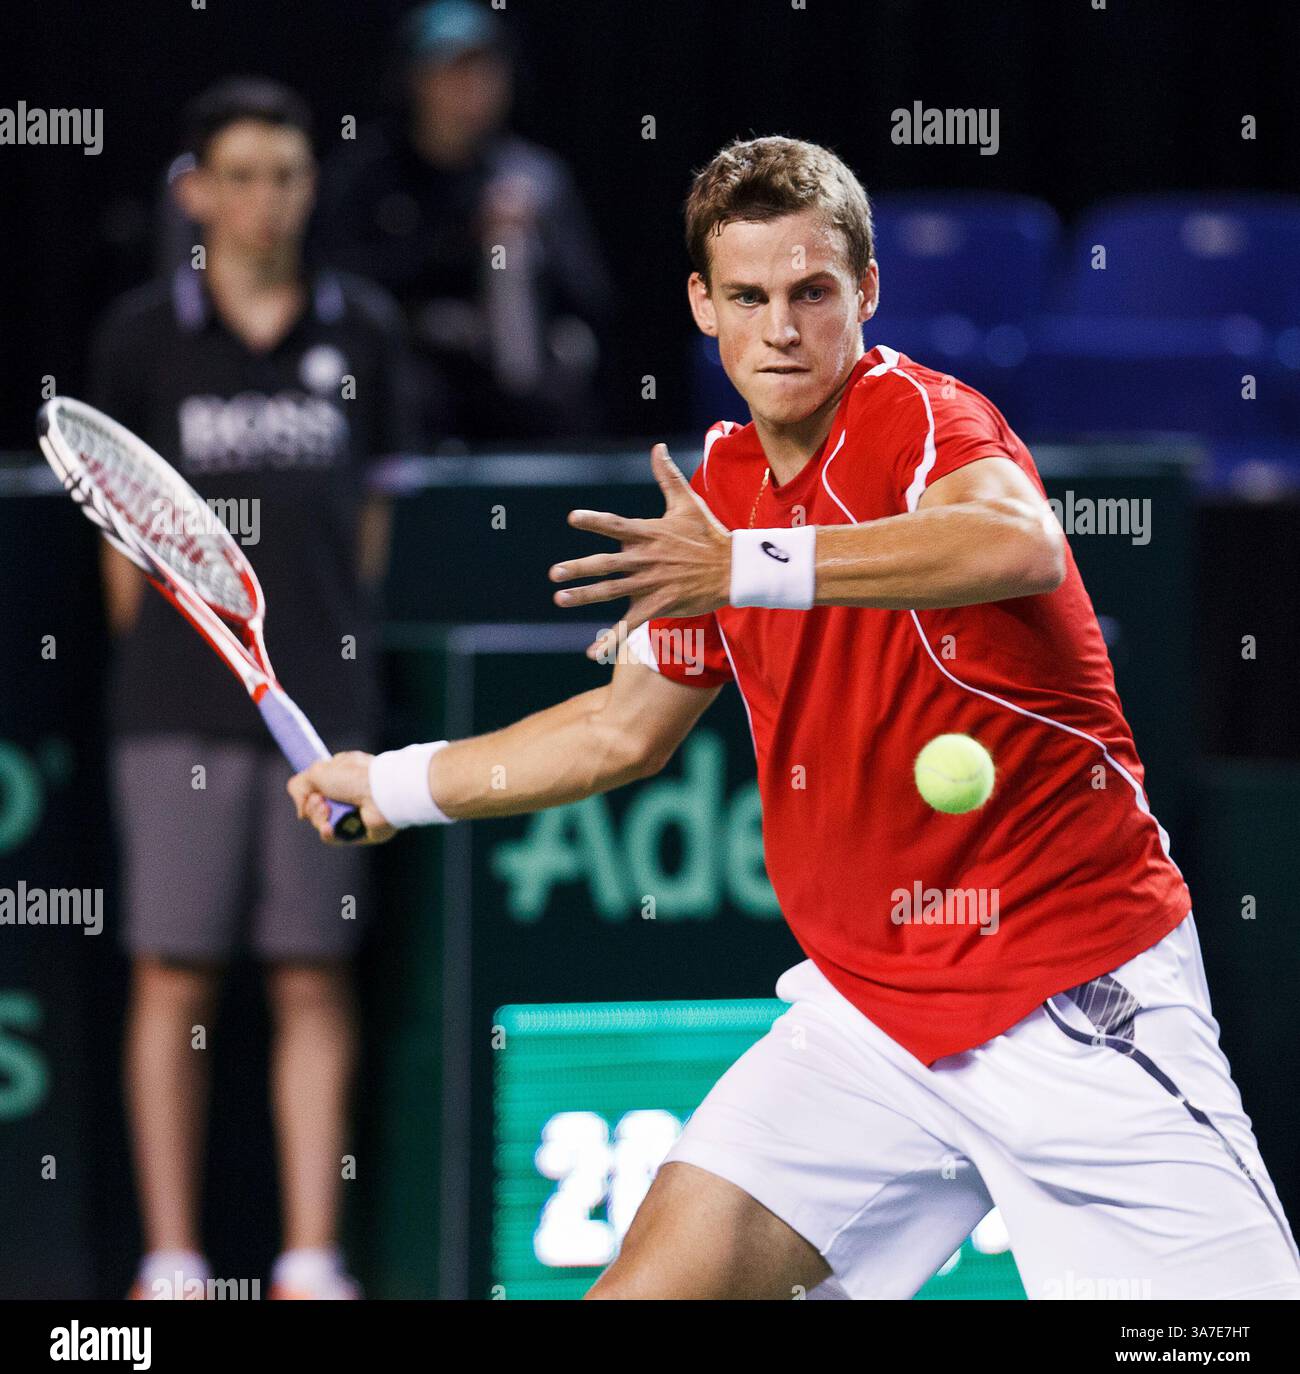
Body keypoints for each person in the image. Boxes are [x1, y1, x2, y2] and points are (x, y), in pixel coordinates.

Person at [288, 136, 1300, 1300]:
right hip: (868, 1021)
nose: (782, 329)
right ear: (701, 307)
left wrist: (751, 567)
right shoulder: (717, 490)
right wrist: (395, 784)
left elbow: (1013, 537)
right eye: (750, 297)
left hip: (1069, 999)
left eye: (813, 293)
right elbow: (621, 732)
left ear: (865, 292)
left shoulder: (921, 420)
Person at [92, 77, 413, 1301]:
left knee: (309, 975)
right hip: (169, 710)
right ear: (196, 191)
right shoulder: (139, 339)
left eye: (286, 173)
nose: (266, 199)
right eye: (241, 174)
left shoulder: (365, 332)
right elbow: (124, 547)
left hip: (324, 719)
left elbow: (370, 526)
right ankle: (172, 1261)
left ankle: (308, 1259)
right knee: (172, 973)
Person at [314, 0, 614, 445]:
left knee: (565, 398)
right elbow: (342, 285)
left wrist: (533, 244)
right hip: (418, 378)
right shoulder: (368, 177)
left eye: (488, 72)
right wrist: (458, 241)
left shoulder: (534, 176)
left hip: (518, 373)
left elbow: (592, 296)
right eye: (454, 72)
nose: (474, 88)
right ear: (416, 80)